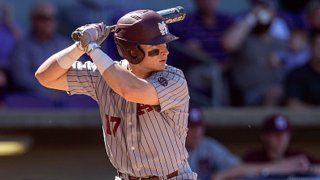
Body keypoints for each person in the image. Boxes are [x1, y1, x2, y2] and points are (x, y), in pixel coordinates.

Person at [35, 9, 197, 179]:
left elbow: (129, 89)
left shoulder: (174, 78)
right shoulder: (102, 75)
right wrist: (79, 46)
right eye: (156, 48)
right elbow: (45, 76)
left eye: (165, 44)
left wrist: (92, 47)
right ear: (133, 52)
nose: (165, 52)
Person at [186, 107, 315, 180]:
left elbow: (236, 169)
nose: (196, 133)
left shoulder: (209, 147)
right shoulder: (254, 156)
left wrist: (308, 168)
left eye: (199, 127)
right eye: (191, 127)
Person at [170, 0, 235, 107]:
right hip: (202, 67)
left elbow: (233, 44)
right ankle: (222, 116)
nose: (209, 2)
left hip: (229, 67)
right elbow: (194, 50)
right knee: (212, 74)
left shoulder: (226, 20)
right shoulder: (189, 21)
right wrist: (217, 65)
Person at [223, 0, 286, 106]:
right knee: (275, 92)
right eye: (260, 9)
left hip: (279, 91)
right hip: (248, 94)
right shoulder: (245, 38)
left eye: (266, 9)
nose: (263, 13)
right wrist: (251, 18)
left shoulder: (280, 41)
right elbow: (228, 44)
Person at [9, 1, 71, 98]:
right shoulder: (21, 46)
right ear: (33, 20)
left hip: (67, 100)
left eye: (52, 18)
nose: (48, 22)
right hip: (34, 102)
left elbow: (80, 71)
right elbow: (21, 77)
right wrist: (47, 93)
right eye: (43, 18)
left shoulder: (65, 44)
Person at [242, 114, 320, 178]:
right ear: (264, 136)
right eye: (276, 135)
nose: (281, 139)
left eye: (285, 135)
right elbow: (238, 171)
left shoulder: (296, 155)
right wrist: (279, 167)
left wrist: (307, 168)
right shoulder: (253, 156)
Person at [284, 30, 320, 107]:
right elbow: (293, 103)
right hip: (308, 118)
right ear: (310, 47)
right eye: (318, 46)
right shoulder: (297, 74)